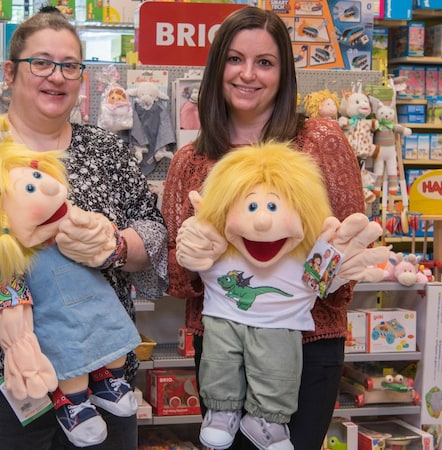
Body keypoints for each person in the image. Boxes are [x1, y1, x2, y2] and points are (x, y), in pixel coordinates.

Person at [0, 7, 168, 450]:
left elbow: (153, 230)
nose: (57, 76)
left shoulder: (104, 150)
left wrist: (116, 245)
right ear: (10, 72)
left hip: (100, 373)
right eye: (41, 62)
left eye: (70, 66)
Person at [162, 6, 365, 450]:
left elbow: (346, 262)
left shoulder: (320, 142)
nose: (247, 74)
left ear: (283, 72)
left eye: (265, 62)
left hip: (308, 344)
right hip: (221, 349)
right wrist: (194, 256)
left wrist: (318, 270)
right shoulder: (191, 162)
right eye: (235, 59)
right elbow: (179, 281)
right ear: (217, 68)